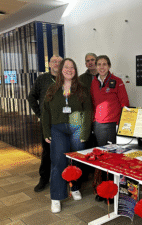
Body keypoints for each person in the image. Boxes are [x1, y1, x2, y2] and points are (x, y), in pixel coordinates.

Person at [42, 58, 92, 213]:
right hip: (58, 129)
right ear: (61, 69)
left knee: (76, 160)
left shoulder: (82, 88)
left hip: (77, 129)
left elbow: (88, 110)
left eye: (72, 67)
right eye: (66, 67)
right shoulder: (52, 89)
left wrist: (85, 130)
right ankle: (56, 196)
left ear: (75, 70)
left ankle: (75, 187)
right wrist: (46, 131)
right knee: (58, 161)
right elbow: (45, 111)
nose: (69, 70)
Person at [90, 55, 129, 202]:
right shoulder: (93, 82)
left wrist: (123, 125)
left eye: (104, 64)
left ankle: (112, 192)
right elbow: (93, 103)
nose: (101, 67)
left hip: (113, 125)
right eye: (99, 64)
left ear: (109, 66)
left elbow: (125, 103)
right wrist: (94, 121)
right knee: (102, 159)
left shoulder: (117, 82)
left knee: (112, 159)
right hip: (98, 125)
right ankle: (103, 190)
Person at [28, 55, 63, 192]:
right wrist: (40, 114)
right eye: (54, 61)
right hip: (47, 124)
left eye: (60, 62)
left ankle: (63, 177)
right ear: (49, 64)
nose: (57, 64)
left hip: (64, 123)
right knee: (47, 153)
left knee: (64, 151)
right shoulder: (42, 79)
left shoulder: (67, 78)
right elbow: (31, 97)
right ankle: (43, 179)